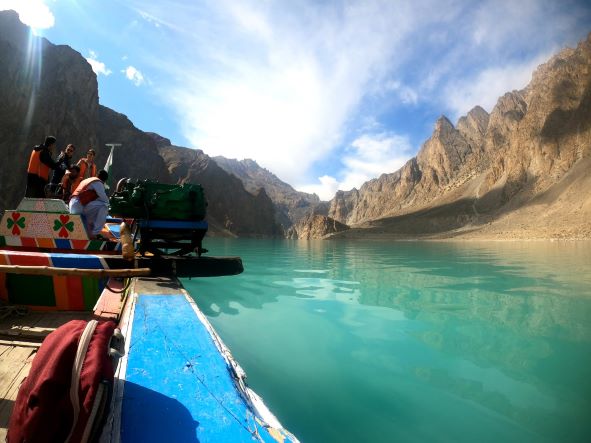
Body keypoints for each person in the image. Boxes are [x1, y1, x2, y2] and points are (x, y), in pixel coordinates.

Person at [69, 170, 109, 238]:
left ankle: (90, 231)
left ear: (97, 175)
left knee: (99, 208)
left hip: (74, 204)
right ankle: (95, 233)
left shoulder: (88, 180)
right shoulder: (98, 182)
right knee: (104, 206)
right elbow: (104, 198)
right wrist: (109, 205)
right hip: (79, 204)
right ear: (104, 180)